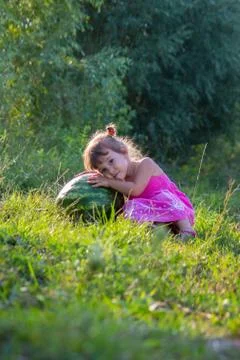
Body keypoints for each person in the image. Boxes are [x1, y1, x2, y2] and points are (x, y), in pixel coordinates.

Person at [83, 124, 196, 240]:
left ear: (124, 151)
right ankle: (162, 233)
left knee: (163, 197)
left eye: (111, 161)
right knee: (133, 208)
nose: (110, 171)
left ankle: (187, 231)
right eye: (104, 170)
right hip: (156, 215)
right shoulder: (119, 182)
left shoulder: (145, 164)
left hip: (177, 211)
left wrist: (108, 182)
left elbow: (136, 189)